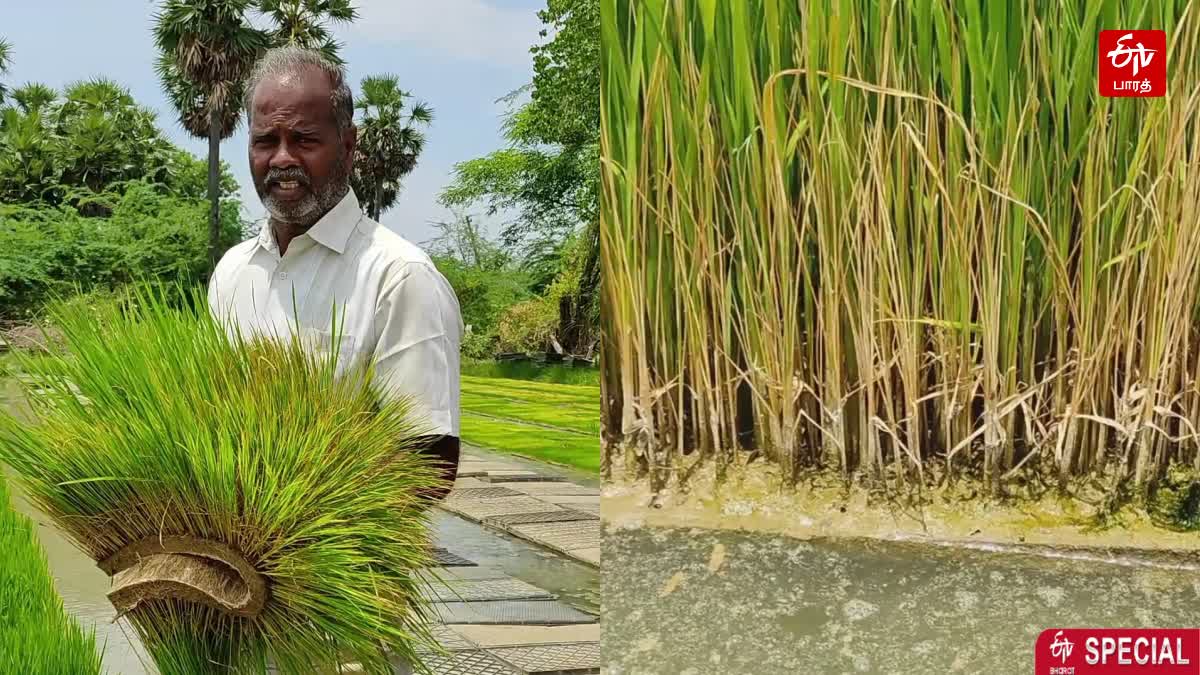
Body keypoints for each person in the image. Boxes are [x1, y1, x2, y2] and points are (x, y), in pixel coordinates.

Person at [207, 45, 463, 505]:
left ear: (347, 147)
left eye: (304, 140)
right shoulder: (233, 272)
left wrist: (288, 519)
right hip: (231, 563)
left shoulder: (398, 277)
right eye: (266, 140)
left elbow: (429, 463)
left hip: (343, 568)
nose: (282, 158)